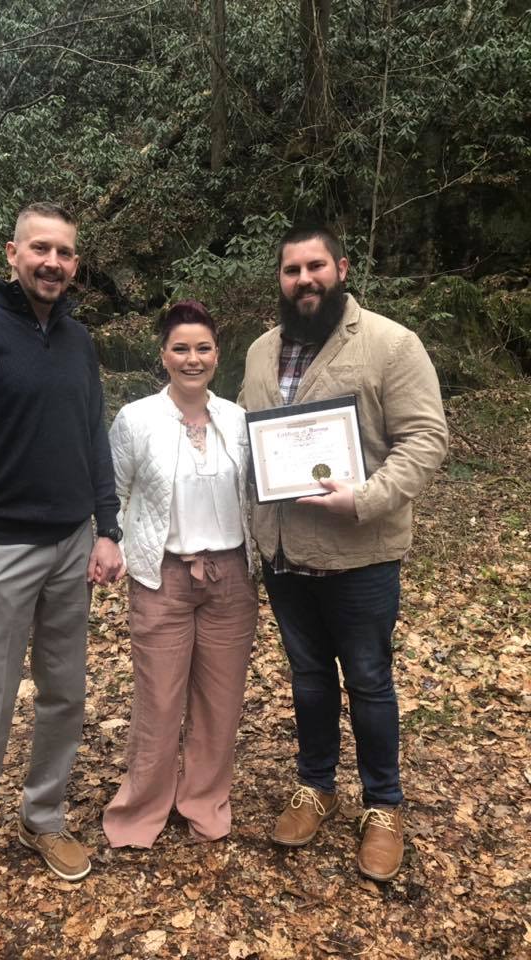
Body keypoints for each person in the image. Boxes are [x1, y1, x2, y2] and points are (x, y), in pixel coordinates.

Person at [0, 202, 124, 960]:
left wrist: (107, 525)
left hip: (72, 545)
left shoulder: (78, 341)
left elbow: (92, 434)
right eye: (40, 248)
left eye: (65, 253)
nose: (53, 263)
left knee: (64, 694)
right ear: (12, 252)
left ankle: (43, 816)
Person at [238, 224, 448, 881]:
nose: (304, 279)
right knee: (308, 677)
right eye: (291, 269)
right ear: (280, 279)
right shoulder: (261, 351)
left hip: (359, 553)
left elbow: (426, 438)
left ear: (342, 268)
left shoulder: (390, 343)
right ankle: (316, 785)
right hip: (283, 552)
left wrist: (366, 497)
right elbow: (248, 437)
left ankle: (383, 805)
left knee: (368, 679)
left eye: (316, 266)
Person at [102, 300, 258, 849]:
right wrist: (114, 545)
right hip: (162, 577)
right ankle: (141, 809)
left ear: (217, 354)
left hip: (230, 577)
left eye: (203, 348)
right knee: (159, 701)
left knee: (220, 700)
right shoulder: (136, 419)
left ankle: (205, 800)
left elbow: (259, 490)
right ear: (164, 355)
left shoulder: (237, 419)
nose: (193, 359)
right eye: (181, 348)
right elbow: (114, 493)